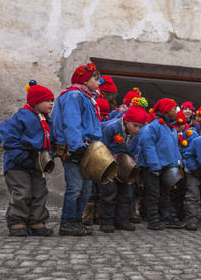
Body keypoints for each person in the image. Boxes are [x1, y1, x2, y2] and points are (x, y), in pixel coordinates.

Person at [51, 61, 103, 236]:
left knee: (86, 187)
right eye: (95, 79)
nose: (98, 83)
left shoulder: (86, 97)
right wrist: (76, 146)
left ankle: (77, 220)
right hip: (73, 147)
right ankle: (67, 222)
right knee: (75, 186)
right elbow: (71, 123)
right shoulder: (74, 95)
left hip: (86, 147)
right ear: (85, 80)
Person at [0, 81, 55, 236]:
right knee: (22, 192)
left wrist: (48, 156)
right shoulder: (19, 118)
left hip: (35, 164)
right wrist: (23, 157)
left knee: (39, 191)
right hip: (17, 164)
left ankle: (36, 221)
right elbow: (9, 138)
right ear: (36, 102)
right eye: (47, 100)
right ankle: (17, 222)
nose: (51, 103)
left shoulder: (45, 120)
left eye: (52, 100)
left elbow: (49, 139)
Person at [97, 105, 147, 233]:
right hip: (107, 163)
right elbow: (100, 149)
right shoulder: (111, 127)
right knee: (108, 193)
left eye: (140, 126)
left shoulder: (136, 133)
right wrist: (111, 169)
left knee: (126, 194)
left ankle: (121, 220)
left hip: (124, 165)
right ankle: (106, 221)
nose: (137, 129)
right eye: (135, 126)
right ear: (126, 121)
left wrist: (129, 168)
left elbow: (134, 151)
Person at [137, 98, 182, 230]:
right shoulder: (152, 126)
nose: (176, 111)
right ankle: (153, 220)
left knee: (165, 193)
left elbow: (173, 147)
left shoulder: (170, 127)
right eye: (174, 109)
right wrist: (154, 166)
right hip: (152, 167)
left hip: (166, 166)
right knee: (153, 193)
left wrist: (175, 163)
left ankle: (167, 218)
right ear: (167, 111)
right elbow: (148, 146)